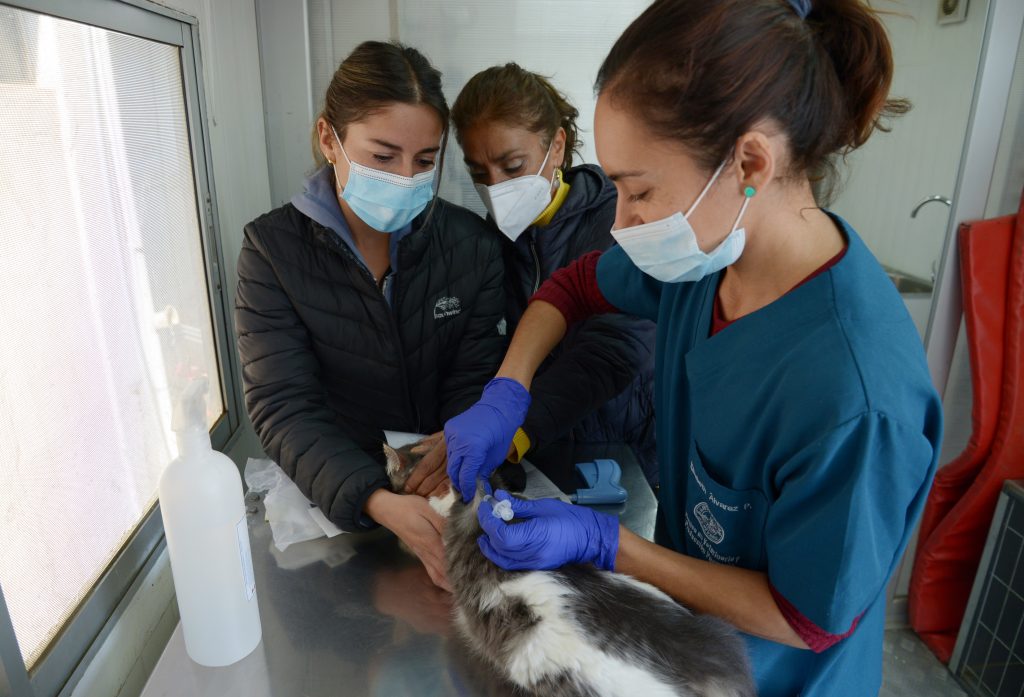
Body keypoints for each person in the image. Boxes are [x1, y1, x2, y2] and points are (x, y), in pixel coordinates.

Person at [444, 1, 942, 695]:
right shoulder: (706, 260)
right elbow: (572, 287)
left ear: (749, 162)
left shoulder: (856, 397)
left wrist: (609, 544)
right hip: (680, 652)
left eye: (639, 190)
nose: (619, 222)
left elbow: (802, 618)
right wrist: (509, 391)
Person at [235, 41, 506, 589]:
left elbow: (477, 380)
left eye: (424, 161)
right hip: (341, 504)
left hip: (448, 488)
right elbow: (284, 406)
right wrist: (374, 498)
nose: (405, 177)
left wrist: (458, 462)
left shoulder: (470, 245)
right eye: (383, 157)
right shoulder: (272, 252)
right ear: (328, 139)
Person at [450, 63, 657, 491]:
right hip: (542, 454)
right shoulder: (491, 242)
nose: (496, 187)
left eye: (512, 166)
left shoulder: (617, 222)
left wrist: (516, 429)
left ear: (557, 146)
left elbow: (613, 350)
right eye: (479, 174)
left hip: (626, 451)